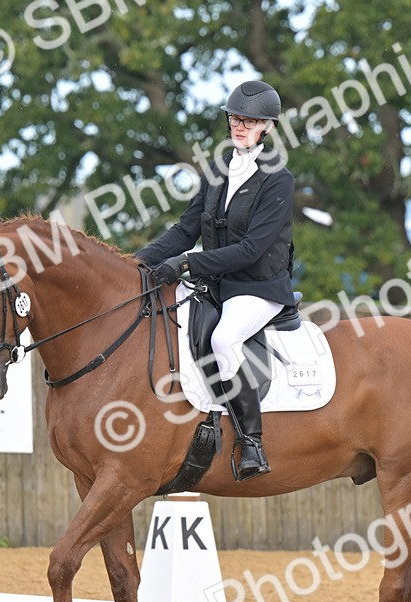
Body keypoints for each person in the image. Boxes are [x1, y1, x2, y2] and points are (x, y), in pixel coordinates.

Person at [136, 79, 296, 482]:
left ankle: (251, 441)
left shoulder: (278, 179)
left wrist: (188, 264)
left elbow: (252, 250)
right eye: (235, 118)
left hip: (258, 288)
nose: (240, 126)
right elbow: (184, 230)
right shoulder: (218, 168)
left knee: (224, 339)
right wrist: (137, 262)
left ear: (268, 127)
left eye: (250, 121)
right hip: (216, 284)